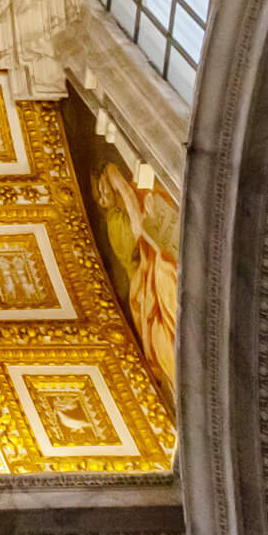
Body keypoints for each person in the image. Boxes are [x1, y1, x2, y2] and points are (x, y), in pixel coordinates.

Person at [93, 163, 179, 394]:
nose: (104, 196)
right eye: (100, 195)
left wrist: (117, 179)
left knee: (165, 269)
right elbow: (139, 230)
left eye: (103, 189)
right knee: (165, 274)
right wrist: (119, 184)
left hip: (155, 260)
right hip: (145, 281)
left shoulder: (137, 191)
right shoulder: (114, 222)